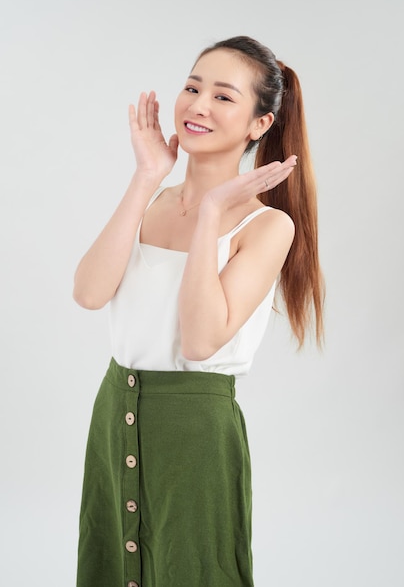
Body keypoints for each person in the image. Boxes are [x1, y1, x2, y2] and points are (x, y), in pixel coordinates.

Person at [73, 35, 324, 587]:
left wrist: (212, 213)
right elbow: (89, 293)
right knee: (111, 563)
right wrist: (145, 178)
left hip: (195, 428)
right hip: (116, 408)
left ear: (260, 124)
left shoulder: (266, 228)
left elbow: (200, 341)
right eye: (192, 86)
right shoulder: (153, 200)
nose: (198, 105)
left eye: (224, 96)